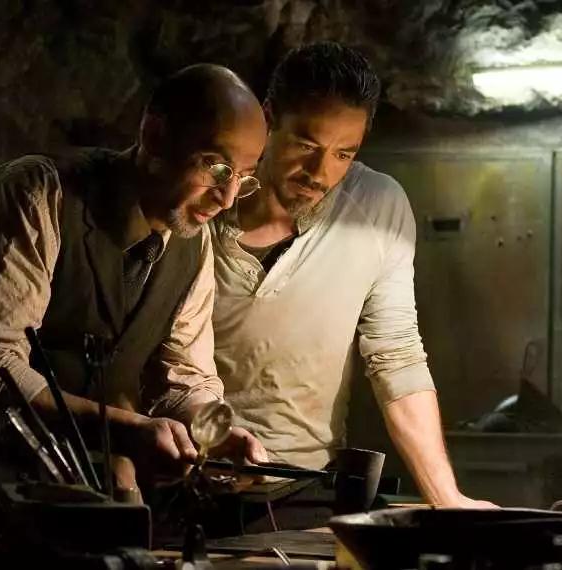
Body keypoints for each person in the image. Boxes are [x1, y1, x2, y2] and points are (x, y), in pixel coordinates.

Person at [0, 64, 269, 567]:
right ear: (155, 135)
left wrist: (214, 429)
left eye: (244, 178)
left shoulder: (194, 244)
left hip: (58, 500)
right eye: (216, 168)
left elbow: (181, 375)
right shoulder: (38, 193)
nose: (228, 198)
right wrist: (128, 430)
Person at [210, 42, 496, 516]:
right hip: (186, 479)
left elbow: (396, 355)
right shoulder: (203, 200)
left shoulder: (377, 207)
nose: (320, 173)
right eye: (306, 146)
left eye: (343, 153)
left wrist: (446, 498)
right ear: (268, 117)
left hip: (301, 489)